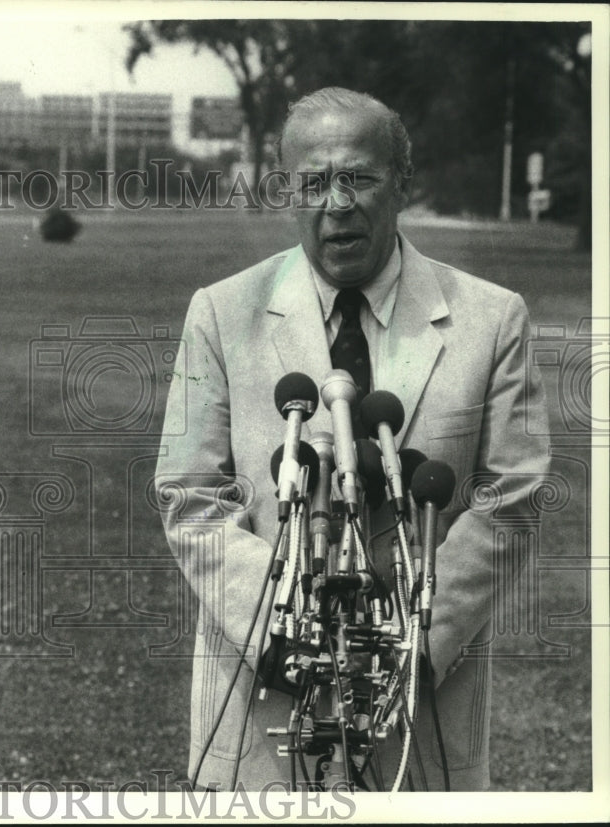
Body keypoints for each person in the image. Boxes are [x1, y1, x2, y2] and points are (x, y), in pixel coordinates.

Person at [155, 88, 550, 791]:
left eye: (359, 177)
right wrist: (283, 632)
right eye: (313, 182)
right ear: (286, 192)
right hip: (260, 713)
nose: (336, 202)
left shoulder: (492, 320)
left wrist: (415, 644)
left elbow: (513, 495)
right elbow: (190, 497)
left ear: (402, 182)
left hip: (423, 719)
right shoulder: (220, 313)